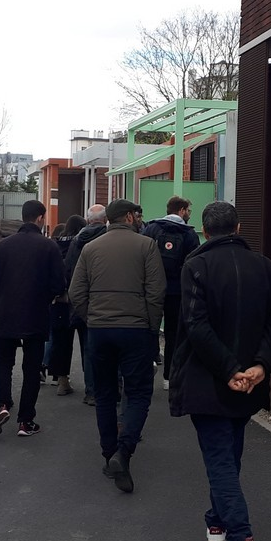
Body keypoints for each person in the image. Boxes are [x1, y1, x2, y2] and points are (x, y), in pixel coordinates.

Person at [169, 201, 271, 541]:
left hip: (208, 378)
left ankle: (239, 538)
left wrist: (228, 370)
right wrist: (260, 366)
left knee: (220, 459)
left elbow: (196, 325)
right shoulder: (266, 267)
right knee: (230, 454)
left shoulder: (196, 266)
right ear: (238, 228)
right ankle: (217, 521)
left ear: (205, 231)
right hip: (250, 382)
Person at [68, 198, 163, 492]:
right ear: (129, 217)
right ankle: (124, 451)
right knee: (138, 392)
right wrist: (150, 327)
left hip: (100, 330)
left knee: (105, 393)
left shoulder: (90, 248)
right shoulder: (147, 246)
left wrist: (92, 318)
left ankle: (109, 452)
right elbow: (156, 292)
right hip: (135, 330)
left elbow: (76, 292)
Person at [0, 200, 65, 437]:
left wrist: (2, 294)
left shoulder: (4, 245)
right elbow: (59, 284)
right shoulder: (49, 247)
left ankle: (0, 405)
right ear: (40, 218)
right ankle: (26, 421)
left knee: (2, 363)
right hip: (36, 315)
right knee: (31, 368)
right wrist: (47, 295)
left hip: (6, 313)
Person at [142, 196, 201, 391]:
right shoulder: (189, 234)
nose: (189, 215)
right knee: (173, 334)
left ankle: (146, 369)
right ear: (182, 210)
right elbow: (193, 264)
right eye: (188, 211)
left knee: (149, 329)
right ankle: (169, 377)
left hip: (152, 289)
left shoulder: (151, 229)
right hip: (176, 292)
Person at [64, 203, 108, 405]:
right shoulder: (108, 239)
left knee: (88, 348)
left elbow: (69, 270)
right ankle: (110, 388)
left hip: (83, 302)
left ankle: (91, 391)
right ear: (105, 219)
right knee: (109, 349)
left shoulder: (77, 241)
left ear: (88, 220)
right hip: (106, 301)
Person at [47, 215, 85, 395]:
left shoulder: (54, 245)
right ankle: (91, 384)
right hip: (80, 299)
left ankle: (62, 380)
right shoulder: (82, 244)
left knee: (61, 342)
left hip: (59, 300)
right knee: (87, 341)